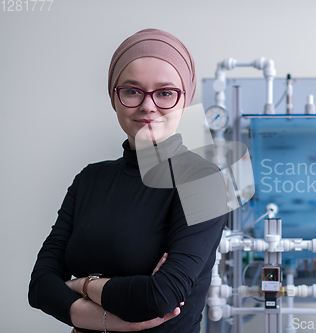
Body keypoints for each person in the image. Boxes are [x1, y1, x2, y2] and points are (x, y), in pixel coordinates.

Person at [28, 28, 228, 333]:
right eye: (133, 91)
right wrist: (113, 317)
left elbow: (159, 297)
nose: (148, 106)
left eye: (165, 92)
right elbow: (40, 285)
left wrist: (81, 284)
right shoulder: (89, 179)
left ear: (184, 100)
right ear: (114, 97)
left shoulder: (203, 181)